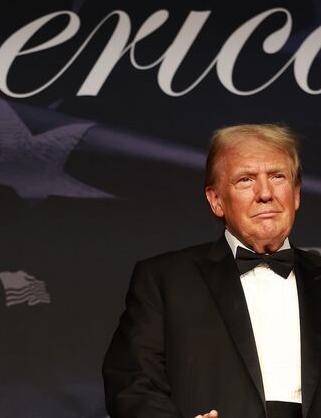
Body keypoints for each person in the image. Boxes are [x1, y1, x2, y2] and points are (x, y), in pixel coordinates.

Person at [103, 124, 321, 418]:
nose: (265, 193)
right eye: (245, 180)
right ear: (216, 200)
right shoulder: (164, 280)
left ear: (296, 194)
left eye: (277, 176)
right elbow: (131, 385)